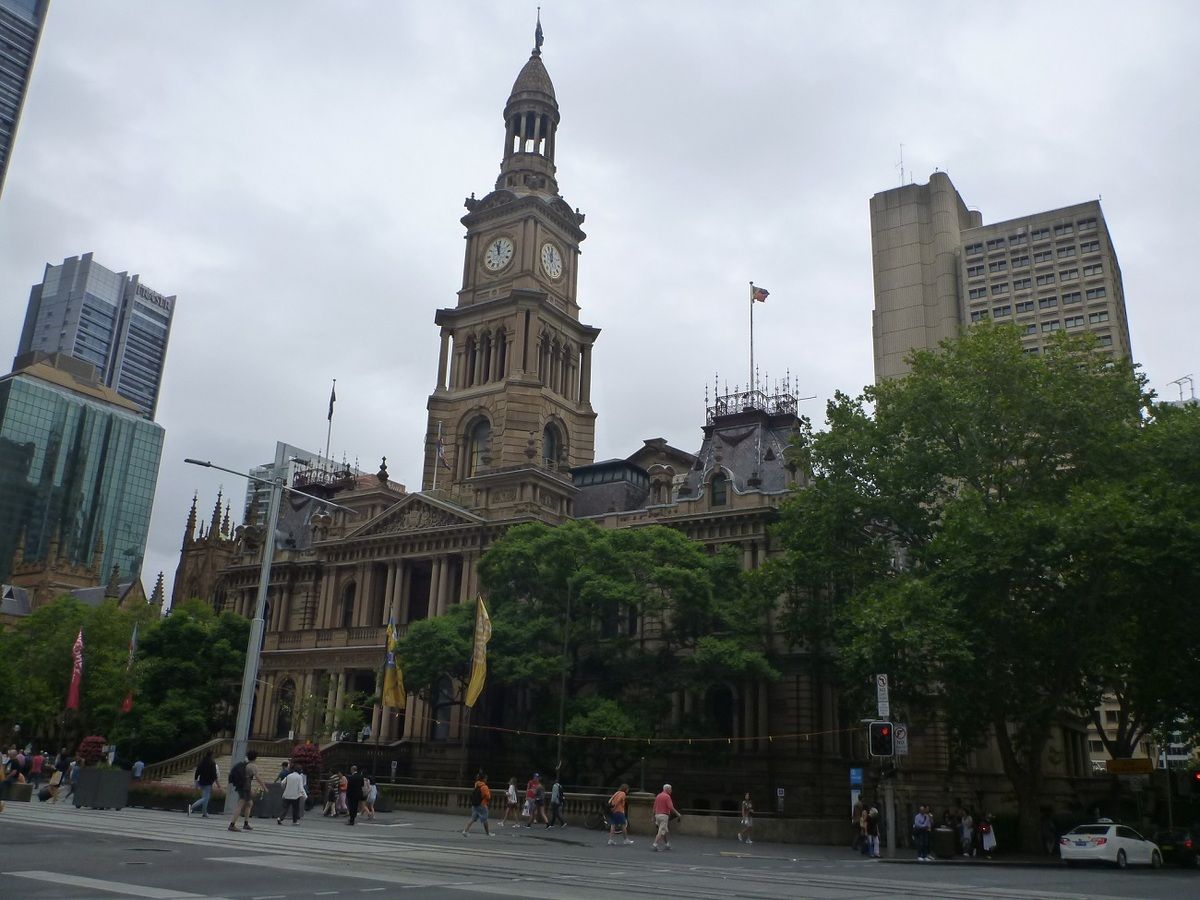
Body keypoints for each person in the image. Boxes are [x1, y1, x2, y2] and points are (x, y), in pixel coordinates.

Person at [227, 750, 266, 832]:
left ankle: (246, 823)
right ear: (255, 757)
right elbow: (257, 777)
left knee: (249, 803)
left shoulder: (245, 764)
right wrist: (264, 787)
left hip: (241, 785)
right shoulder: (252, 766)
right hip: (245, 786)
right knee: (241, 804)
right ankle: (232, 824)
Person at [187, 752, 219, 818]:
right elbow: (214, 774)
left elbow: (197, 772)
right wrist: (217, 783)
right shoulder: (212, 763)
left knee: (205, 798)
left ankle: (204, 813)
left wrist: (196, 781)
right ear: (211, 756)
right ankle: (192, 807)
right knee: (205, 798)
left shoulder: (201, 763)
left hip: (201, 782)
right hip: (208, 783)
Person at [462, 771, 494, 836]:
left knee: (473, 818)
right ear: (484, 779)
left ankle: (465, 831)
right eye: (486, 778)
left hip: (475, 804)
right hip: (482, 804)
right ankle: (488, 833)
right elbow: (488, 797)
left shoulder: (476, 784)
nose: (486, 780)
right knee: (485, 819)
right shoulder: (484, 787)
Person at [651, 783, 681, 852]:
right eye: (670, 789)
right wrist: (677, 814)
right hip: (664, 816)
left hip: (657, 815)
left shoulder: (658, 796)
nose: (671, 790)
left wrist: (653, 816)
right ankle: (655, 844)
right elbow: (670, 807)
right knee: (661, 830)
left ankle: (667, 844)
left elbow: (654, 807)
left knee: (663, 830)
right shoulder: (667, 796)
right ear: (667, 789)